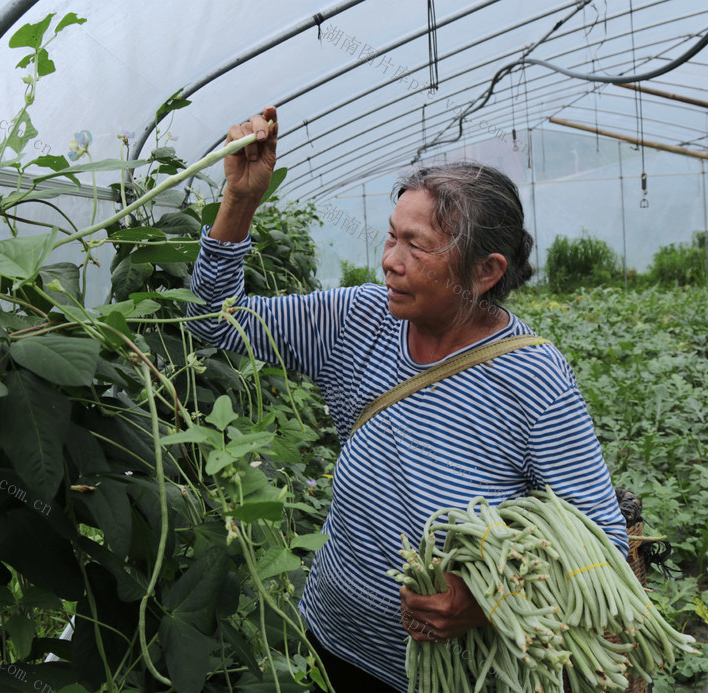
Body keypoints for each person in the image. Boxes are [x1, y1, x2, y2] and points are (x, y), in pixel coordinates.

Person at [184, 106, 629, 692]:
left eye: (415, 246)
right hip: (333, 639)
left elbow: (603, 538)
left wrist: (491, 596)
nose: (389, 260)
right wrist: (239, 201)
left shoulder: (531, 375)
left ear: (484, 272)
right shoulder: (357, 320)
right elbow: (215, 322)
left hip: (446, 675)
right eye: (391, 236)